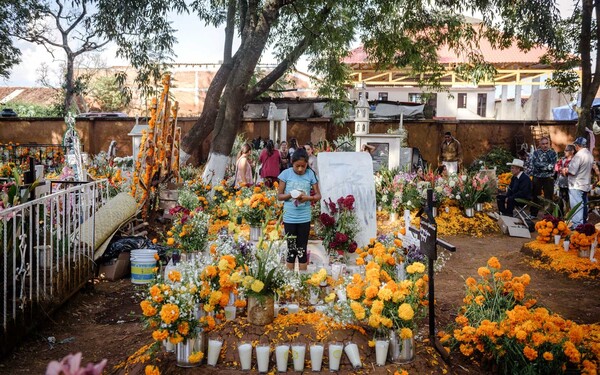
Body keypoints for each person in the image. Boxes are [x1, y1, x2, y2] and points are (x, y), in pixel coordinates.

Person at [277, 148, 321, 271]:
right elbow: (279, 196)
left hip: (304, 217)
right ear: (292, 163)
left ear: (307, 163)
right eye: (297, 166)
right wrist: (291, 194)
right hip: (290, 218)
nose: (300, 169)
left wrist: (308, 198)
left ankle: (302, 279)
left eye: (303, 166)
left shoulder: (310, 174)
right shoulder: (286, 174)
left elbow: (318, 195)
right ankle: (290, 280)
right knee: (291, 249)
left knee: (302, 249)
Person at [563, 137, 594, 228]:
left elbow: (572, 172)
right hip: (585, 184)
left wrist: (565, 170)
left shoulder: (578, 155)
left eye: (575, 145)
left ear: (577, 146)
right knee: (584, 205)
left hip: (576, 184)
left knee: (577, 206)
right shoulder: (589, 155)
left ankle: (577, 226)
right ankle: (583, 223)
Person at [529, 136, 558, 217]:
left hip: (548, 178)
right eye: (543, 144)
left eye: (546, 143)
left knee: (548, 196)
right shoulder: (536, 153)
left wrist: (543, 166)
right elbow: (535, 164)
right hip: (537, 177)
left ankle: (548, 215)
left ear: (549, 144)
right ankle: (533, 213)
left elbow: (553, 165)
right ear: (540, 144)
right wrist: (547, 167)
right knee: (535, 195)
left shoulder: (553, 153)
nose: (545, 145)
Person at [555, 144, 575, 215]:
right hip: (562, 183)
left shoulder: (575, 160)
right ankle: (560, 215)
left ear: (572, 151)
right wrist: (561, 169)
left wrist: (565, 170)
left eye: (567, 150)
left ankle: (570, 215)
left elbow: (573, 170)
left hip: (571, 184)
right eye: (565, 150)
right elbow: (556, 167)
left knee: (570, 201)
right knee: (560, 200)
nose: (564, 152)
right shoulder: (563, 159)